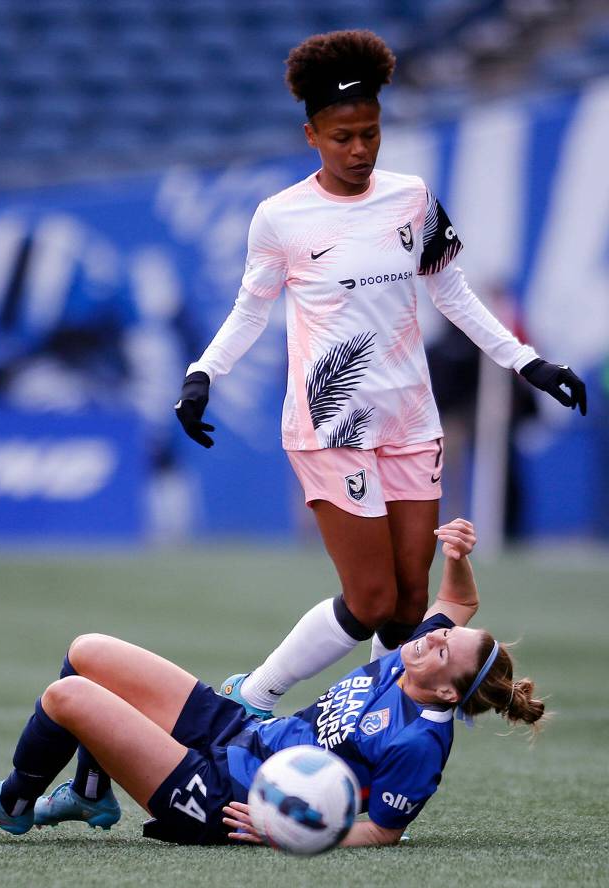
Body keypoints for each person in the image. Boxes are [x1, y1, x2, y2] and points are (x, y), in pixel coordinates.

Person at [173, 29, 585, 719]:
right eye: (342, 137)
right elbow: (250, 310)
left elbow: (451, 292)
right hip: (332, 424)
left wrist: (528, 362)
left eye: (370, 133)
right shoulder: (280, 217)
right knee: (369, 602)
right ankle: (250, 696)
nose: (360, 148)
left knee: (410, 604)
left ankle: (364, 727)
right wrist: (200, 375)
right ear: (312, 136)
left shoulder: (412, 198)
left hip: (410, 421)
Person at [0, 518, 544, 847]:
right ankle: (91, 792)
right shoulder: (414, 661)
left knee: (68, 699)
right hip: (243, 731)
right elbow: (456, 600)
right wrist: (459, 554)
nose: (430, 635)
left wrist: (284, 828)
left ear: (446, 693)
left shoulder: (419, 743)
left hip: (225, 797)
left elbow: (384, 830)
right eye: (439, 634)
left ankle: (12, 804)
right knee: (88, 652)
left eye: (442, 647)